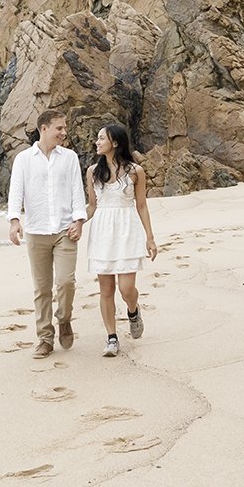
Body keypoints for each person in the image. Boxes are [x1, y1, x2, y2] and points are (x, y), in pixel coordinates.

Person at [7, 109, 86, 359]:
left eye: (64, 128)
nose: (64, 132)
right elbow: (16, 191)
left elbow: (77, 190)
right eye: (59, 128)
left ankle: (64, 319)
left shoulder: (70, 157)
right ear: (44, 128)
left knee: (66, 282)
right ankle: (44, 338)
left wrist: (79, 221)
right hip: (36, 231)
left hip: (65, 230)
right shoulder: (23, 159)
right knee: (42, 289)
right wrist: (14, 220)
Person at [84, 122, 158, 357]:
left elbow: (142, 205)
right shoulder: (92, 171)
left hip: (127, 230)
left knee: (126, 289)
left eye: (101, 138)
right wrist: (75, 224)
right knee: (106, 289)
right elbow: (92, 206)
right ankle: (112, 337)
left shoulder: (135, 171)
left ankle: (133, 310)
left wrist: (150, 238)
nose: (97, 142)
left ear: (115, 143)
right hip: (102, 231)